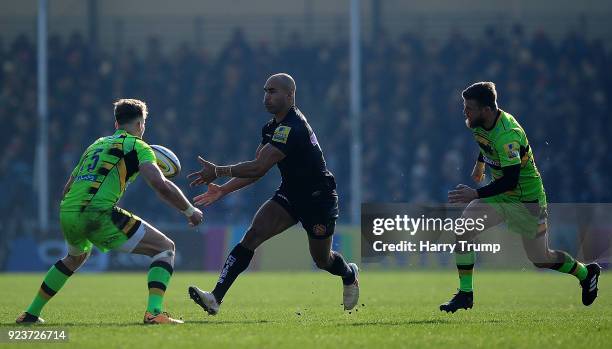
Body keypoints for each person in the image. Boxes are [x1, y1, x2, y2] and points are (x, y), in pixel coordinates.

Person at [16, 99, 203, 324]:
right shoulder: (137, 146)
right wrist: (189, 210)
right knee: (165, 249)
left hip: (69, 210)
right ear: (141, 124)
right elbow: (159, 184)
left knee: (74, 258)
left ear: (116, 123)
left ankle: (30, 313)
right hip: (98, 212)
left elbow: (68, 186)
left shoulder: (96, 145)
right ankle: (154, 312)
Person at [187, 73, 359, 315]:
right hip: (290, 194)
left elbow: (259, 167)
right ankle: (215, 297)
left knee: (322, 260)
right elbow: (257, 170)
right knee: (252, 236)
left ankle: (349, 274)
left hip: (318, 199)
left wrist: (219, 171)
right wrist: (224, 189)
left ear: (290, 95)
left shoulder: (292, 127)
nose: (267, 97)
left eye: (273, 91)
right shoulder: (271, 127)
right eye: (266, 91)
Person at [442, 82, 601, 313]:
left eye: (469, 108)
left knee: (540, 258)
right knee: (464, 229)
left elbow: (511, 180)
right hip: (500, 196)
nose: (464, 112)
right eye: (464, 107)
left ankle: (586, 273)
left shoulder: (508, 136)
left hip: (526, 199)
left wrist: (475, 193)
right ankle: (466, 294)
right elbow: (485, 141)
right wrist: (480, 165)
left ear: (486, 110)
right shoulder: (478, 121)